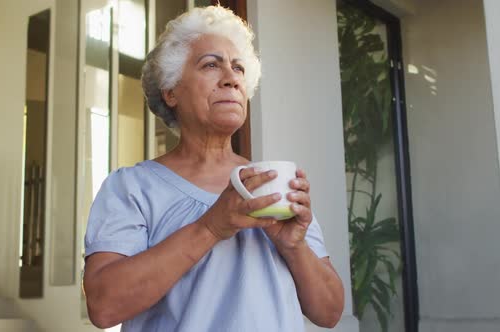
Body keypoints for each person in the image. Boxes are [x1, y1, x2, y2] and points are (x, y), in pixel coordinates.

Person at [83, 5, 344, 331]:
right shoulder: (131, 187)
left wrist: (294, 245)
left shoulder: (272, 184)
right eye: (211, 65)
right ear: (171, 91)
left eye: (238, 68)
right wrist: (211, 227)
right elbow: (104, 307)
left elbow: (330, 312)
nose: (232, 79)